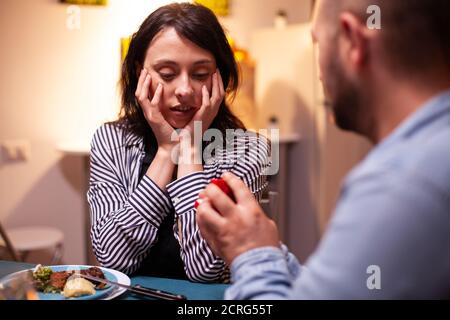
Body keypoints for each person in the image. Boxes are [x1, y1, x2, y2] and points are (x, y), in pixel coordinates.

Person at [197, 0, 450, 298]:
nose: (318, 75)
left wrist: (249, 252)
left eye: (318, 44)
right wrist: (267, 249)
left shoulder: (399, 182)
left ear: (353, 40)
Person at [87, 3, 269, 282]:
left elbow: (206, 270)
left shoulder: (247, 150)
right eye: (167, 74)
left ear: (219, 76)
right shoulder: (111, 141)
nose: (184, 90)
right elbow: (113, 260)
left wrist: (190, 152)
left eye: (199, 74)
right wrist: (167, 151)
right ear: (140, 73)